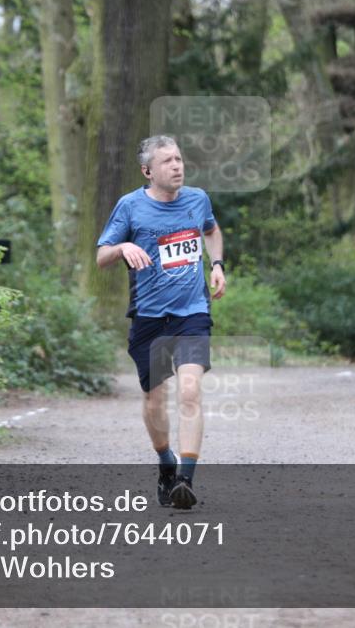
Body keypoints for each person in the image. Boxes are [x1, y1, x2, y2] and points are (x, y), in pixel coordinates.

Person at [96, 135, 227, 509]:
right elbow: (102, 256)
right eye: (168, 161)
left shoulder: (197, 199)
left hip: (192, 313)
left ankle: (185, 480)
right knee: (155, 400)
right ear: (147, 170)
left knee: (190, 391)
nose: (177, 166)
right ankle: (166, 463)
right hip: (150, 318)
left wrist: (216, 265)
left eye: (179, 159)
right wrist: (123, 247)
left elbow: (211, 230)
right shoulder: (130, 207)